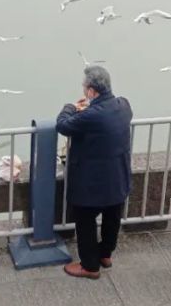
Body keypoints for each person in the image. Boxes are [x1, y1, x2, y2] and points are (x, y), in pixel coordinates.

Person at [56, 65, 132, 280]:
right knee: (112, 218)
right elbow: (102, 122)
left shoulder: (91, 116)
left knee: (86, 223)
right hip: (118, 178)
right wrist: (87, 109)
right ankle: (105, 254)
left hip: (92, 184)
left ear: (90, 91)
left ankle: (90, 266)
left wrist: (70, 106)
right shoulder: (124, 105)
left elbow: (62, 125)